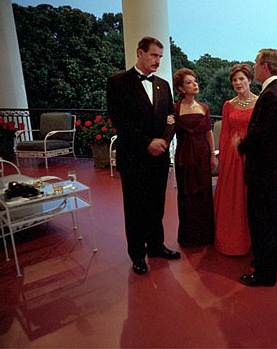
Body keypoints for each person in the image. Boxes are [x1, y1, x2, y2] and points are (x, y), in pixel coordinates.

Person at [106, 36, 180, 275]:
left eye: (160, 56)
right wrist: (147, 143)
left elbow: (171, 118)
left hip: (159, 158)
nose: (157, 60)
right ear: (140, 53)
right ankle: (137, 255)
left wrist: (165, 141)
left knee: (157, 205)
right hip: (134, 158)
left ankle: (156, 246)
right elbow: (121, 122)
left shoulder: (163, 85)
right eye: (153, 55)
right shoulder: (117, 83)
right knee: (136, 208)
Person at [235, 49, 277, 287]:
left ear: (265, 67)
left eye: (256, 63)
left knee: (262, 222)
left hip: (265, 173)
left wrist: (241, 144)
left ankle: (264, 273)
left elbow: (261, 134)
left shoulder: (270, 95)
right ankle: (276, 262)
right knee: (274, 219)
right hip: (275, 172)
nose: (254, 66)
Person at [213, 64, 258, 256]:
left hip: (252, 154)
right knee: (232, 198)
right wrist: (222, 158)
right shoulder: (228, 105)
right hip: (233, 157)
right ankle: (232, 239)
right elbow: (225, 133)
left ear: (249, 80)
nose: (238, 83)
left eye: (242, 79)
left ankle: (254, 239)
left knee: (253, 198)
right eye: (235, 80)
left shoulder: (260, 102)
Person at [172, 68, 216, 248]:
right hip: (183, 155)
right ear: (181, 88)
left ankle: (206, 236)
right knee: (185, 194)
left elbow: (209, 133)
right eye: (189, 82)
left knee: (204, 194)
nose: (195, 84)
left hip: (202, 154)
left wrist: (212, 155)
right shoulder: (174, 109)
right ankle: (189, 237)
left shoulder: (204, 107)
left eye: (195, 81)